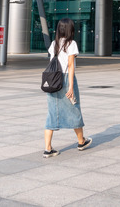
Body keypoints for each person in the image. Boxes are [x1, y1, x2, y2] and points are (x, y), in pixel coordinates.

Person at [43, 18, 92, 158]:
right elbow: (70, 66)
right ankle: (81, 142)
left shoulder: (54, 44)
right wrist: (70, 86)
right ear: (70, 30)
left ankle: (48, 149)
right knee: (74, 108)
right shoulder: (71, 44)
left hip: (53, 80)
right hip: (65, 79)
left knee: (52, 112)